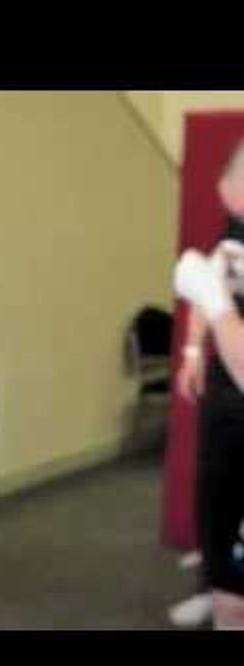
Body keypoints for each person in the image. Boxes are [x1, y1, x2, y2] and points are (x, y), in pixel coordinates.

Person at [172, 139, 244, 630]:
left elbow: (209, 291)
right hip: (227, 394)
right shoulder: (236, 232)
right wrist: (194, 351)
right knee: (217, 493)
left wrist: (214, 300)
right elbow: (208, 284)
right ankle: (217, 583)